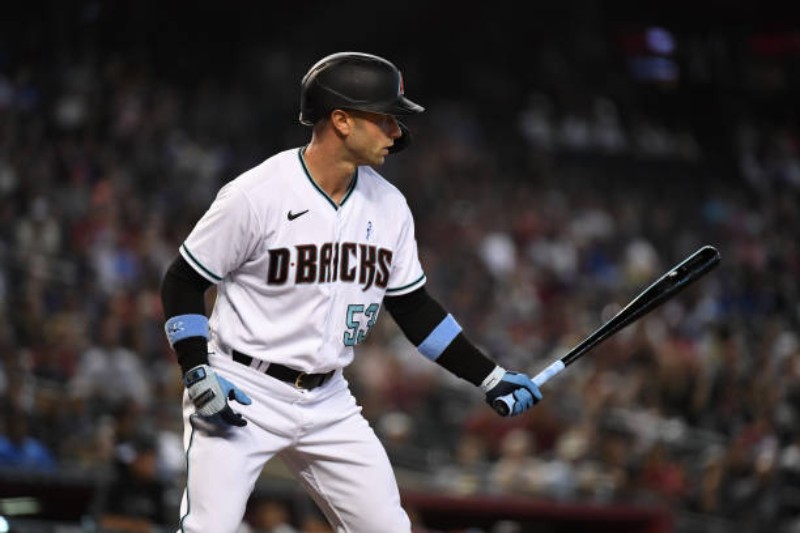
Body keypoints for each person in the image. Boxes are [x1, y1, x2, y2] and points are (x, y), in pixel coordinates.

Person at [159, 51, 543, 532]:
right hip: (244, 387)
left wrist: (489, 375)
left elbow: (414, 309)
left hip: (328, 400)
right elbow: (184, 280)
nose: (397, 132)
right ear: (341, 120)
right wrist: (197, 369)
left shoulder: (390, 205)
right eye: (385, 118)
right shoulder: (256, 194)